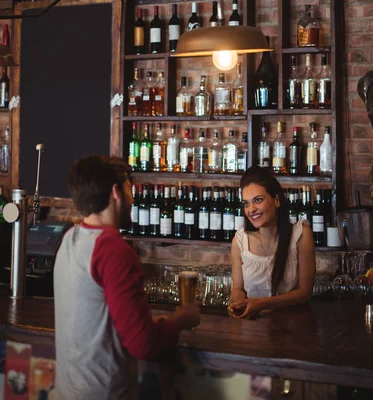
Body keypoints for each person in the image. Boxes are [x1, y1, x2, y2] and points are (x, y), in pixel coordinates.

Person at [54, 155, 200, 400]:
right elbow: (143, 345)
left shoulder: (69, 238)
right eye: (130, 191)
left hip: (67, 391)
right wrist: (180, 320)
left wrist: (155, 325)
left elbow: (100, 321)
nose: (133, 200)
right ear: (116, 192)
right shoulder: (113, 250)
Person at [228, 166, 316, 319]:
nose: (251, 209)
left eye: (258, 200)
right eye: (246, 204)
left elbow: (305, 292)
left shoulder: (301, 235)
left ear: (276, 200)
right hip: (252, 329)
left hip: (293, 328)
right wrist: (237, 304)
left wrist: (262, 304)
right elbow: (238, 289)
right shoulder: (240, 241)